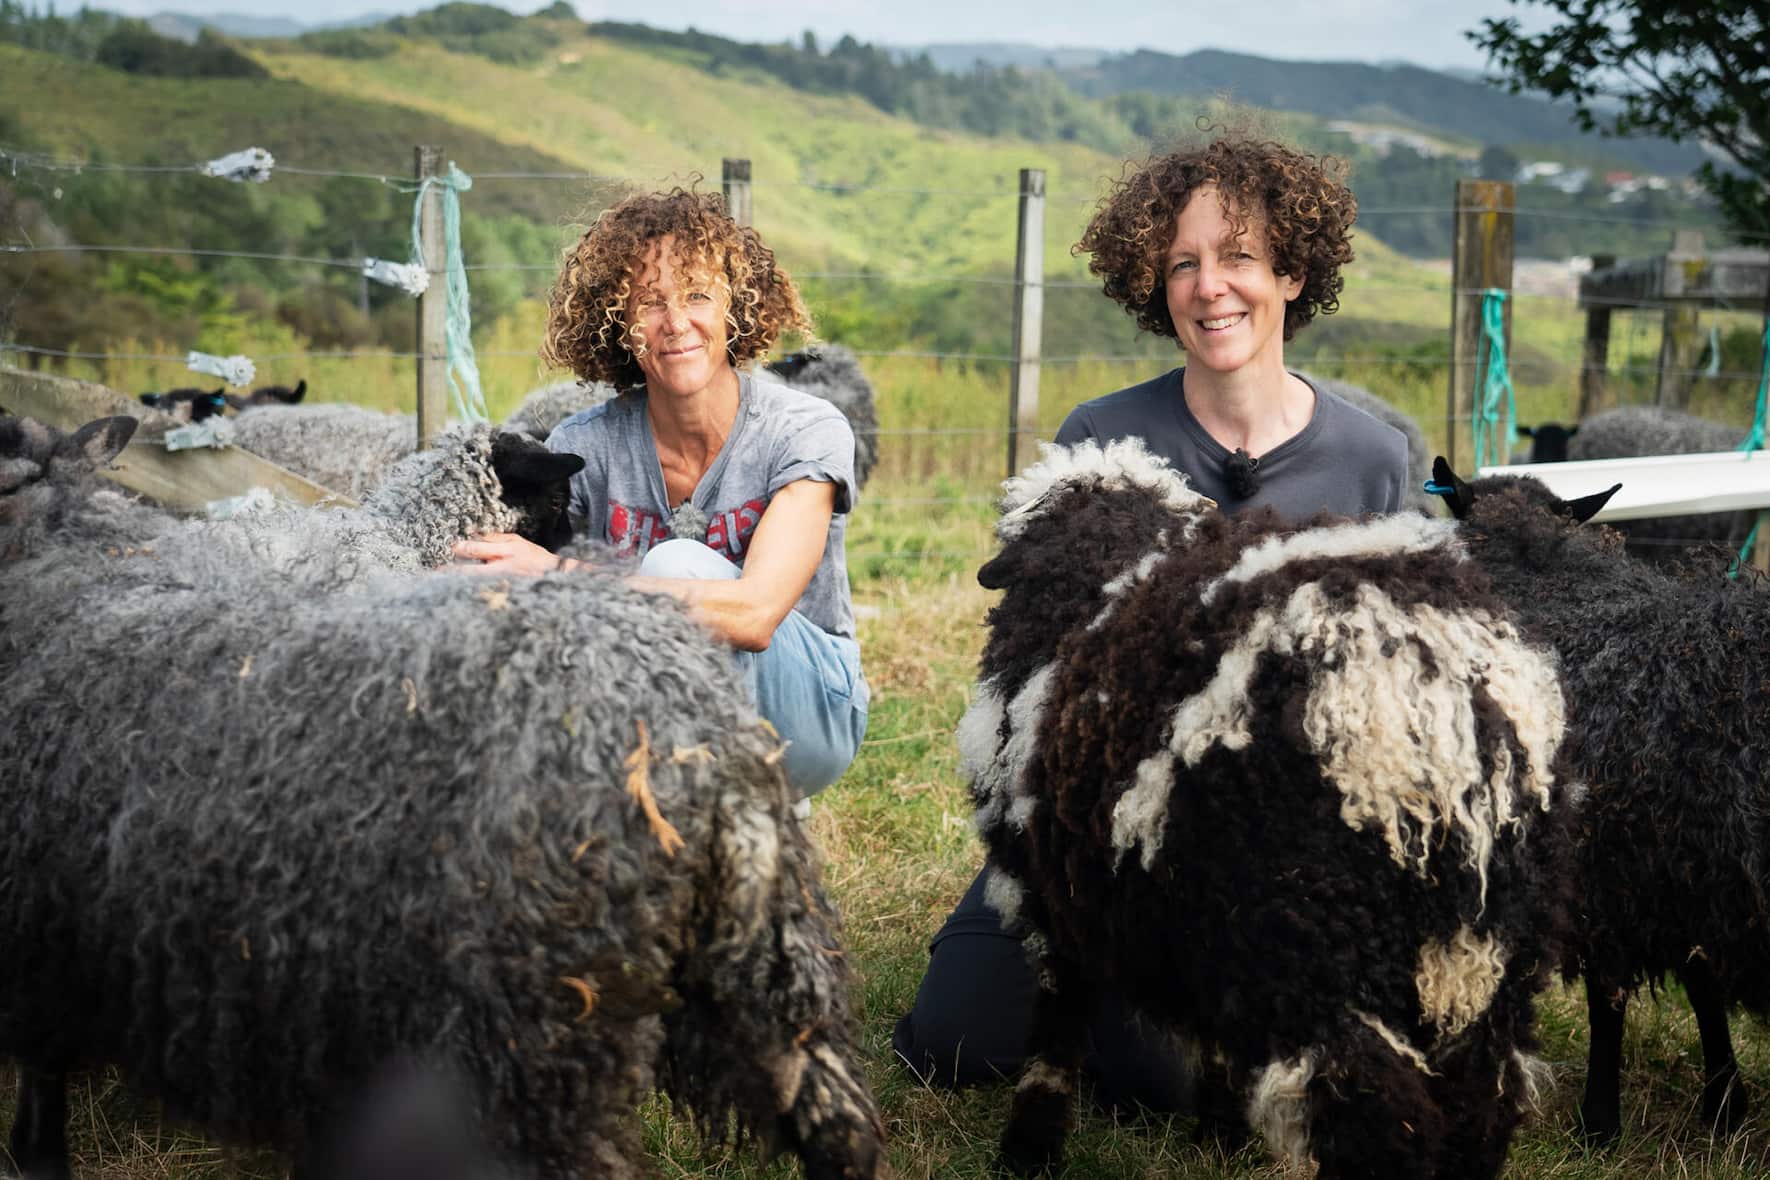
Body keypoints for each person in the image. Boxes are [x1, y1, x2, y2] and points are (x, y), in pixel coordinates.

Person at [892, 131, 1409, 1113]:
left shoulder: (1376, 461)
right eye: (1183, 263)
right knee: (953, 1043)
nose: (1210, 287)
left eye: (1238, 257)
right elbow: (1040, 676)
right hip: (1103, 829)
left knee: (1157, 1076)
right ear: (1153, 281)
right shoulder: (1099, 438)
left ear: (1293, 272)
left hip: (1287, 838)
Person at [453, 188, 868, 801]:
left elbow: (754, 616)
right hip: (653, 719)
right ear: (614, 323)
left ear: (737, 306)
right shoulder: (586, 445)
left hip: (809, 710)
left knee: (674, 562)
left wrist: (559, 572)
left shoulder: (803, 429)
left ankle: (738, 826)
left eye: (697, 294)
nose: (675, 322)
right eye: (647, 302)